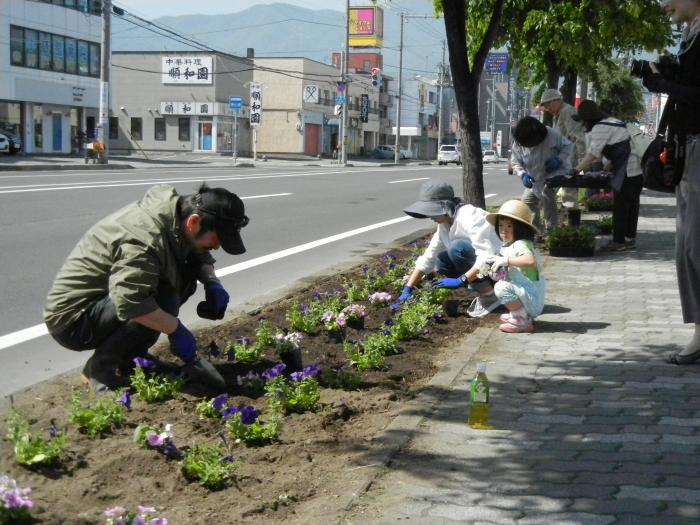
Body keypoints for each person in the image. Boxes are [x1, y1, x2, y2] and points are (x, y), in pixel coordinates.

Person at [44, 183, 249, 392]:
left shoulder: (178, 217)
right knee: (160, 296)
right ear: (194, 222)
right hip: (74, 320)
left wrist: (212, 283)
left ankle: (131, 358)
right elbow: (132, 302)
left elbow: (199, 254)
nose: (217, 246)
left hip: (106, 303)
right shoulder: (145, 238)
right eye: (217, 239)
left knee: (179, 279)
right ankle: (99, 371)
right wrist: (175, 330)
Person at [641, 0, 700, 364]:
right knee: (686, 248)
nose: (664, 5)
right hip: (688, 147)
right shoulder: (690, 36)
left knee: (693, 246)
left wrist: (667, 84)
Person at [399, 180, 502, 318]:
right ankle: (484, 289)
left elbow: (487, 256)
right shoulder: (445, 224)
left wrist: (461, 280)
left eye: (432, 213)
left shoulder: (470, 217)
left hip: (501, 269)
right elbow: (429, 257)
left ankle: (490, 296)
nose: (430, 217)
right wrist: (408, 288)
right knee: (441, 260)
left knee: (457, 248)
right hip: (484, 270)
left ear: (444, 207)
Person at [571, 100, 638, 251]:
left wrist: (576, 170)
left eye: (582, 120)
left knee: (621, 206)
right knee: (632, 205)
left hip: (626, 170)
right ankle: (629, 239)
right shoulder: (613, 122)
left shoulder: (600, 127)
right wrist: (607, 168)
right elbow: (620, 148)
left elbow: (593, 155)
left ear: (587, 119)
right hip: (636, 169)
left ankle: (619, 242)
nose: (582, 124)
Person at [484, 200, 545, 333]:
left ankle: (521, 320)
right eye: (500, 226)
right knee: (501, 283)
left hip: (531, 297)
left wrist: (506, 260)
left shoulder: (521, 244)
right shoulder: (508, 245)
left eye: (509, 226)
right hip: (526, 294)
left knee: (501, 288)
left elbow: (529, 261)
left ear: (520, 228)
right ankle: (520, 314)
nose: (504, 230)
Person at [510, 116, 573, 235]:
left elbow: (569, 146)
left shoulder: (552, 134)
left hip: (556, 174)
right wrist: (523, 174)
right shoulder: (518, 142)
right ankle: (536, 232)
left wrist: (559, 159)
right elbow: (515, 161)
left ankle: (552, 231)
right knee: (527, 202)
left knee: (546, 194)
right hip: (535, 178)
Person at [538, 88, 587, 208]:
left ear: (556, 101)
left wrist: (581, 164)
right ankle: (561, 221)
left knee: (568, 192)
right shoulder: (559, 115)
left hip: (571, 160)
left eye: (548, 105)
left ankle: (570, 222)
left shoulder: (568, 112)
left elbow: (579, 138)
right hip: (563, 159)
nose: (547, 109)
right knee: (550, 190)